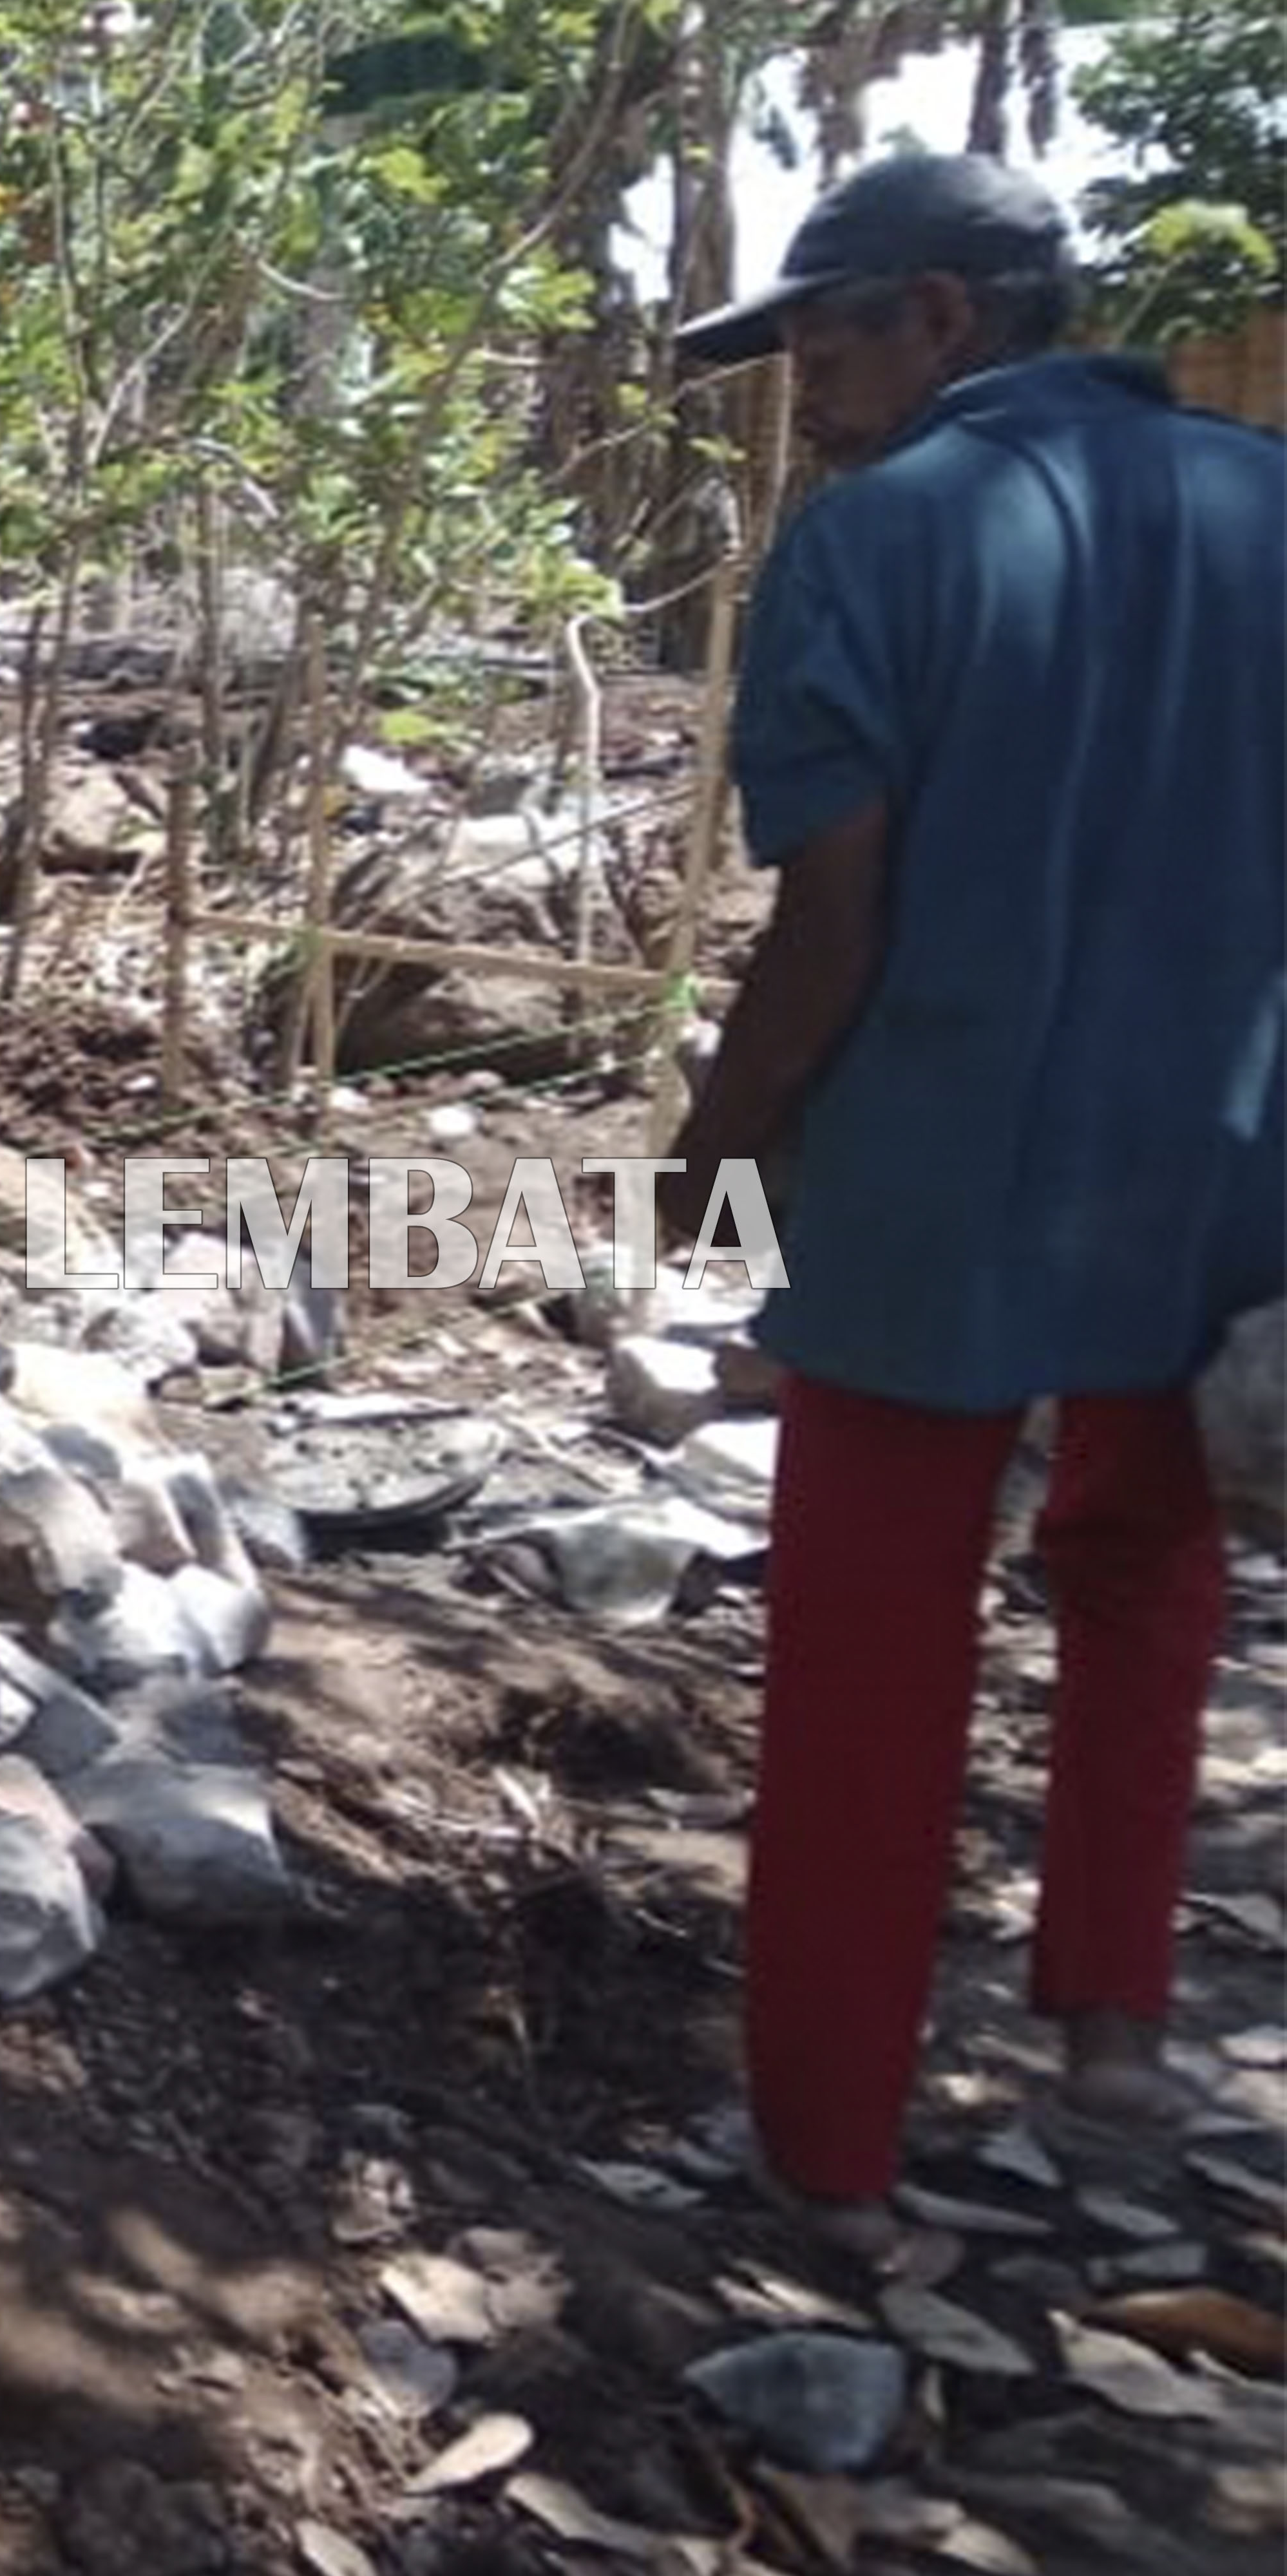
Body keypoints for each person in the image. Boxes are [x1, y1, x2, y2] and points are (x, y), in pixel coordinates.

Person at [662, 151, 1286, 2263]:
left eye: (824, 340)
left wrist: (720, 1155)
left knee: (869, 1651)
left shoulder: (883, 543)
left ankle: (830, 2141)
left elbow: (832, 923)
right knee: (1143, 1561)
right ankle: (1113, 2017)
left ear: (941, 316)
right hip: (1219, 1169)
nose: (805, 392)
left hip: (939, 1177)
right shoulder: (1266, 509)